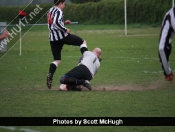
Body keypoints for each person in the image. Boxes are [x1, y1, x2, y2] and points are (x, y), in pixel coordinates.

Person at [47, 0, 86, 89]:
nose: (64, 6)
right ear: (60, 3)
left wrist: (63, 23)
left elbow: (52, 23)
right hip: (62, 36)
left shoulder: (50, 10)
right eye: (64, 4)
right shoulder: (59, 11)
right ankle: (87, 60)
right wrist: (65, 29)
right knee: (82, 42)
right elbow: (56, 22)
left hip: (53, 39)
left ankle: (50, 74)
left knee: (57, 60)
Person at [158, 7, 175, 82]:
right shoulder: (171, 16)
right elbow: (162, 48)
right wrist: (167, 71)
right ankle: (168, 72)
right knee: (162, 49)